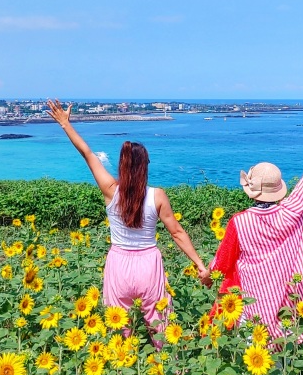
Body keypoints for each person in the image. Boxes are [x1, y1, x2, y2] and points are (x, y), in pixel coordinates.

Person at [46, 100, 211, 346]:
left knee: (120, 332)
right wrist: (200, 265)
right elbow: (177, 232)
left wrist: (65, 124)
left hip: (119, 265)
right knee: (162, 329)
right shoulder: (157, 196)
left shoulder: (111, 191)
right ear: (145, 167)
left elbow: (87, 154)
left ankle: (122, 374)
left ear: (122, 166)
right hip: (149, 265)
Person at [210, 121, 303, 341]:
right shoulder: (290, 213)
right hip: (284, 301)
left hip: (251, 303)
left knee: (253, 359)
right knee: (281, 357)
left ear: (251, 192)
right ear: (278, 190)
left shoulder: (240, 222)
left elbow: (222, 262)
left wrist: (207, 275)